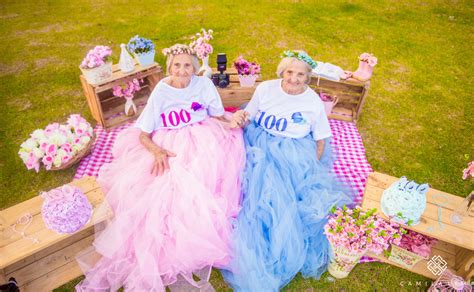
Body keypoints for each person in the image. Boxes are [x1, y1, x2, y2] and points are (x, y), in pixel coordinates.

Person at [76, 44, 245, 291]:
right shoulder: (162, 92)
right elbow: (143, 134)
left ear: (195, 68)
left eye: (188, 65)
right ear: (170, 68)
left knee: (204, 176)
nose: (182, 70)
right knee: (161, 188)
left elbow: (218, 115)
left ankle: (196, 228)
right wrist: (156, 151)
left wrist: (233, 120)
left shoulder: (204, 84)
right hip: (169, 142)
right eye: (177, 65)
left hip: (202, 137)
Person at [222, 50, 354, 291]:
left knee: (284, 194)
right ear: (282, 71)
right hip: (259, 140)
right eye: (290, 72)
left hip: (292, 148)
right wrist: (241, 118)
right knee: (246, 184)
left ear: (308, 77)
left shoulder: (312, 101)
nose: (294, 78)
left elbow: (321, 137)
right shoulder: (266, 89)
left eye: (300, 74)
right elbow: (250, 114)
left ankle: (274, 245)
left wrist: (311, 166)